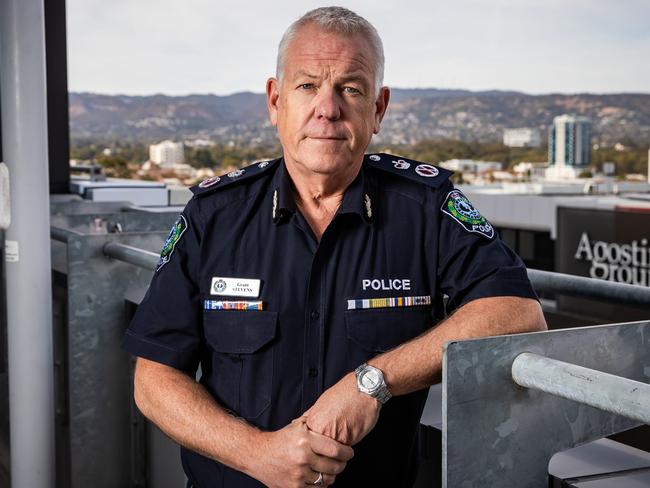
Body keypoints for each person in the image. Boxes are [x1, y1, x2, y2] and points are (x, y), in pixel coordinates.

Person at [121, 6, 547, 488]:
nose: (328, 108)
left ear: (378, 109)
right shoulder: (213, 216)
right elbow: (153, 381)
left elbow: (518, 313)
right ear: (275, 101)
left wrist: (373, 382)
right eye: (307, 86)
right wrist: (258, 454)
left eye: (350, 88)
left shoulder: (426, 209)